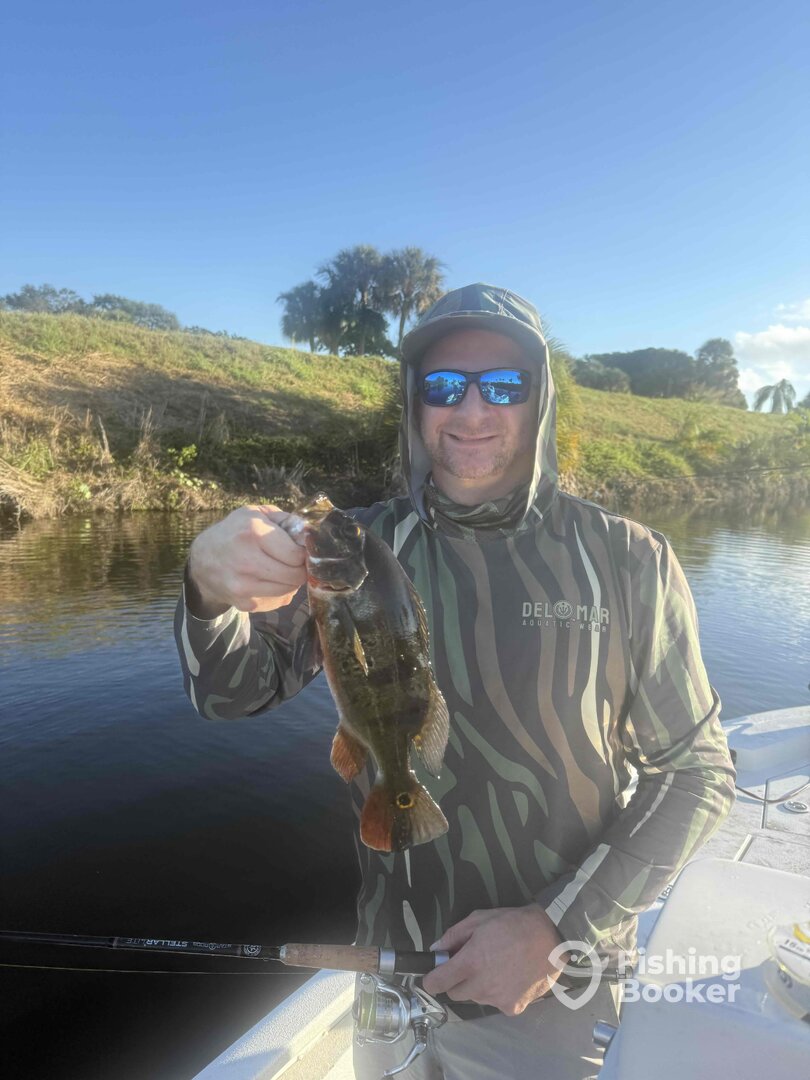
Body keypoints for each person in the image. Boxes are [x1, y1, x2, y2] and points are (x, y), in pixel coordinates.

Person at [174, 284, 737, 1079]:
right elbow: (230, 693)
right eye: (444, 385)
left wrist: (558, 927)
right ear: (415, 402)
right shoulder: (355, 547)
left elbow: (698, 773)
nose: (472, 410)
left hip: (548, 988)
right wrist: (206, 589)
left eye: (504, 384)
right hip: (387, 965)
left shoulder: (629, 560)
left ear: (540, 399)